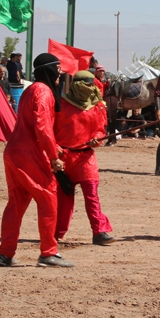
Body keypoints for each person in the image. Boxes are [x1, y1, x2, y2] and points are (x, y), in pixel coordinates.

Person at [0, 53, 73, 268]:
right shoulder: (44, 91)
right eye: (57, 69)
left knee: (16, 204)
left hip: (14, 152)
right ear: (49, 70)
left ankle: (5, 254)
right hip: (30, 155)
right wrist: (54, 156)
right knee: (48, 199)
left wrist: (54, 148)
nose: (60, 73)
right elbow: (42, 126)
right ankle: (48, 253)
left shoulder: (30, 89)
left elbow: (34, 126)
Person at [53, 71, 116, 246]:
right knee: (64, 198)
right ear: (76, 85)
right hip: (63, 157)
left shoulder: (97, 106)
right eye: (85, 85)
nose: (89, 89)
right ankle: (56, 232)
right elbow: (49, 130)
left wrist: (97, 138)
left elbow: (100, 129)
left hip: (86, 157)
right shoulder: (61, 105)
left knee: (92, 195)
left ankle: (99, 231)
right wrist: (55, 151)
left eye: (91, 85)